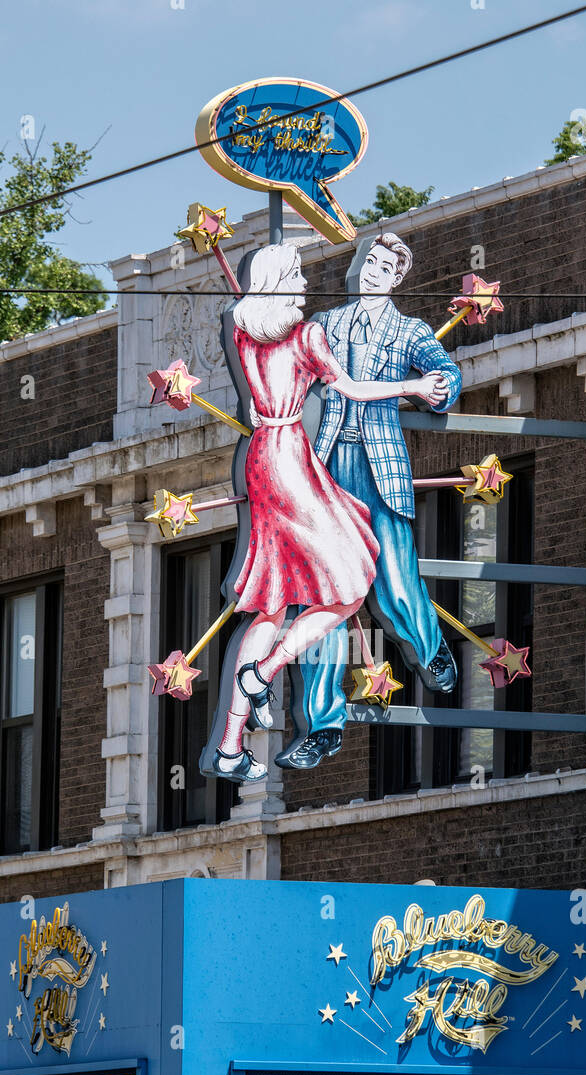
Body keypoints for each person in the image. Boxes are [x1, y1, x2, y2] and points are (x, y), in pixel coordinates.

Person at [212, 242, 448, 783]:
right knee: (348, 584)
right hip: (300, 460)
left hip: (265, 459)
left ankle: (229, 745)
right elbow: (353, 389)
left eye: (386, 267)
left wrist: (438, 385)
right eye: (296, 274)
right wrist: (412, 387)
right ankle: (273, 678)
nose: (304, 282)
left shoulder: (242, 327)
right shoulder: (312, 332)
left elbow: (252, 406)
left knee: (272, 603)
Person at [278, 231, 463, 771]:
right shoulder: (325, 326)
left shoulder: (410, 331)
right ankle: (321, 726)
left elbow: (446, 374)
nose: (373, 271)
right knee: (322, 603)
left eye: (385, 266)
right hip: (327, 469)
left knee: (396, 586)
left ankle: (428, 647)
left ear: (397, 278)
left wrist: (437, 388)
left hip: (380, 470)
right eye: (369, 261)